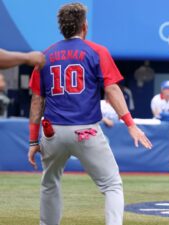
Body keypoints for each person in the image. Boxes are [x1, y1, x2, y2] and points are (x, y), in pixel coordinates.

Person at [27, 3, 152, 225]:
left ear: (62, 27)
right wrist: (130, 123)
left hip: (52, 132)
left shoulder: (44, 56)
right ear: (84, 26)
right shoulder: (97, 51)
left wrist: (32, 141)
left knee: (49, 183)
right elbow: (112, 90)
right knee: (112, 185)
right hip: (85, 130)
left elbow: (37, 101)